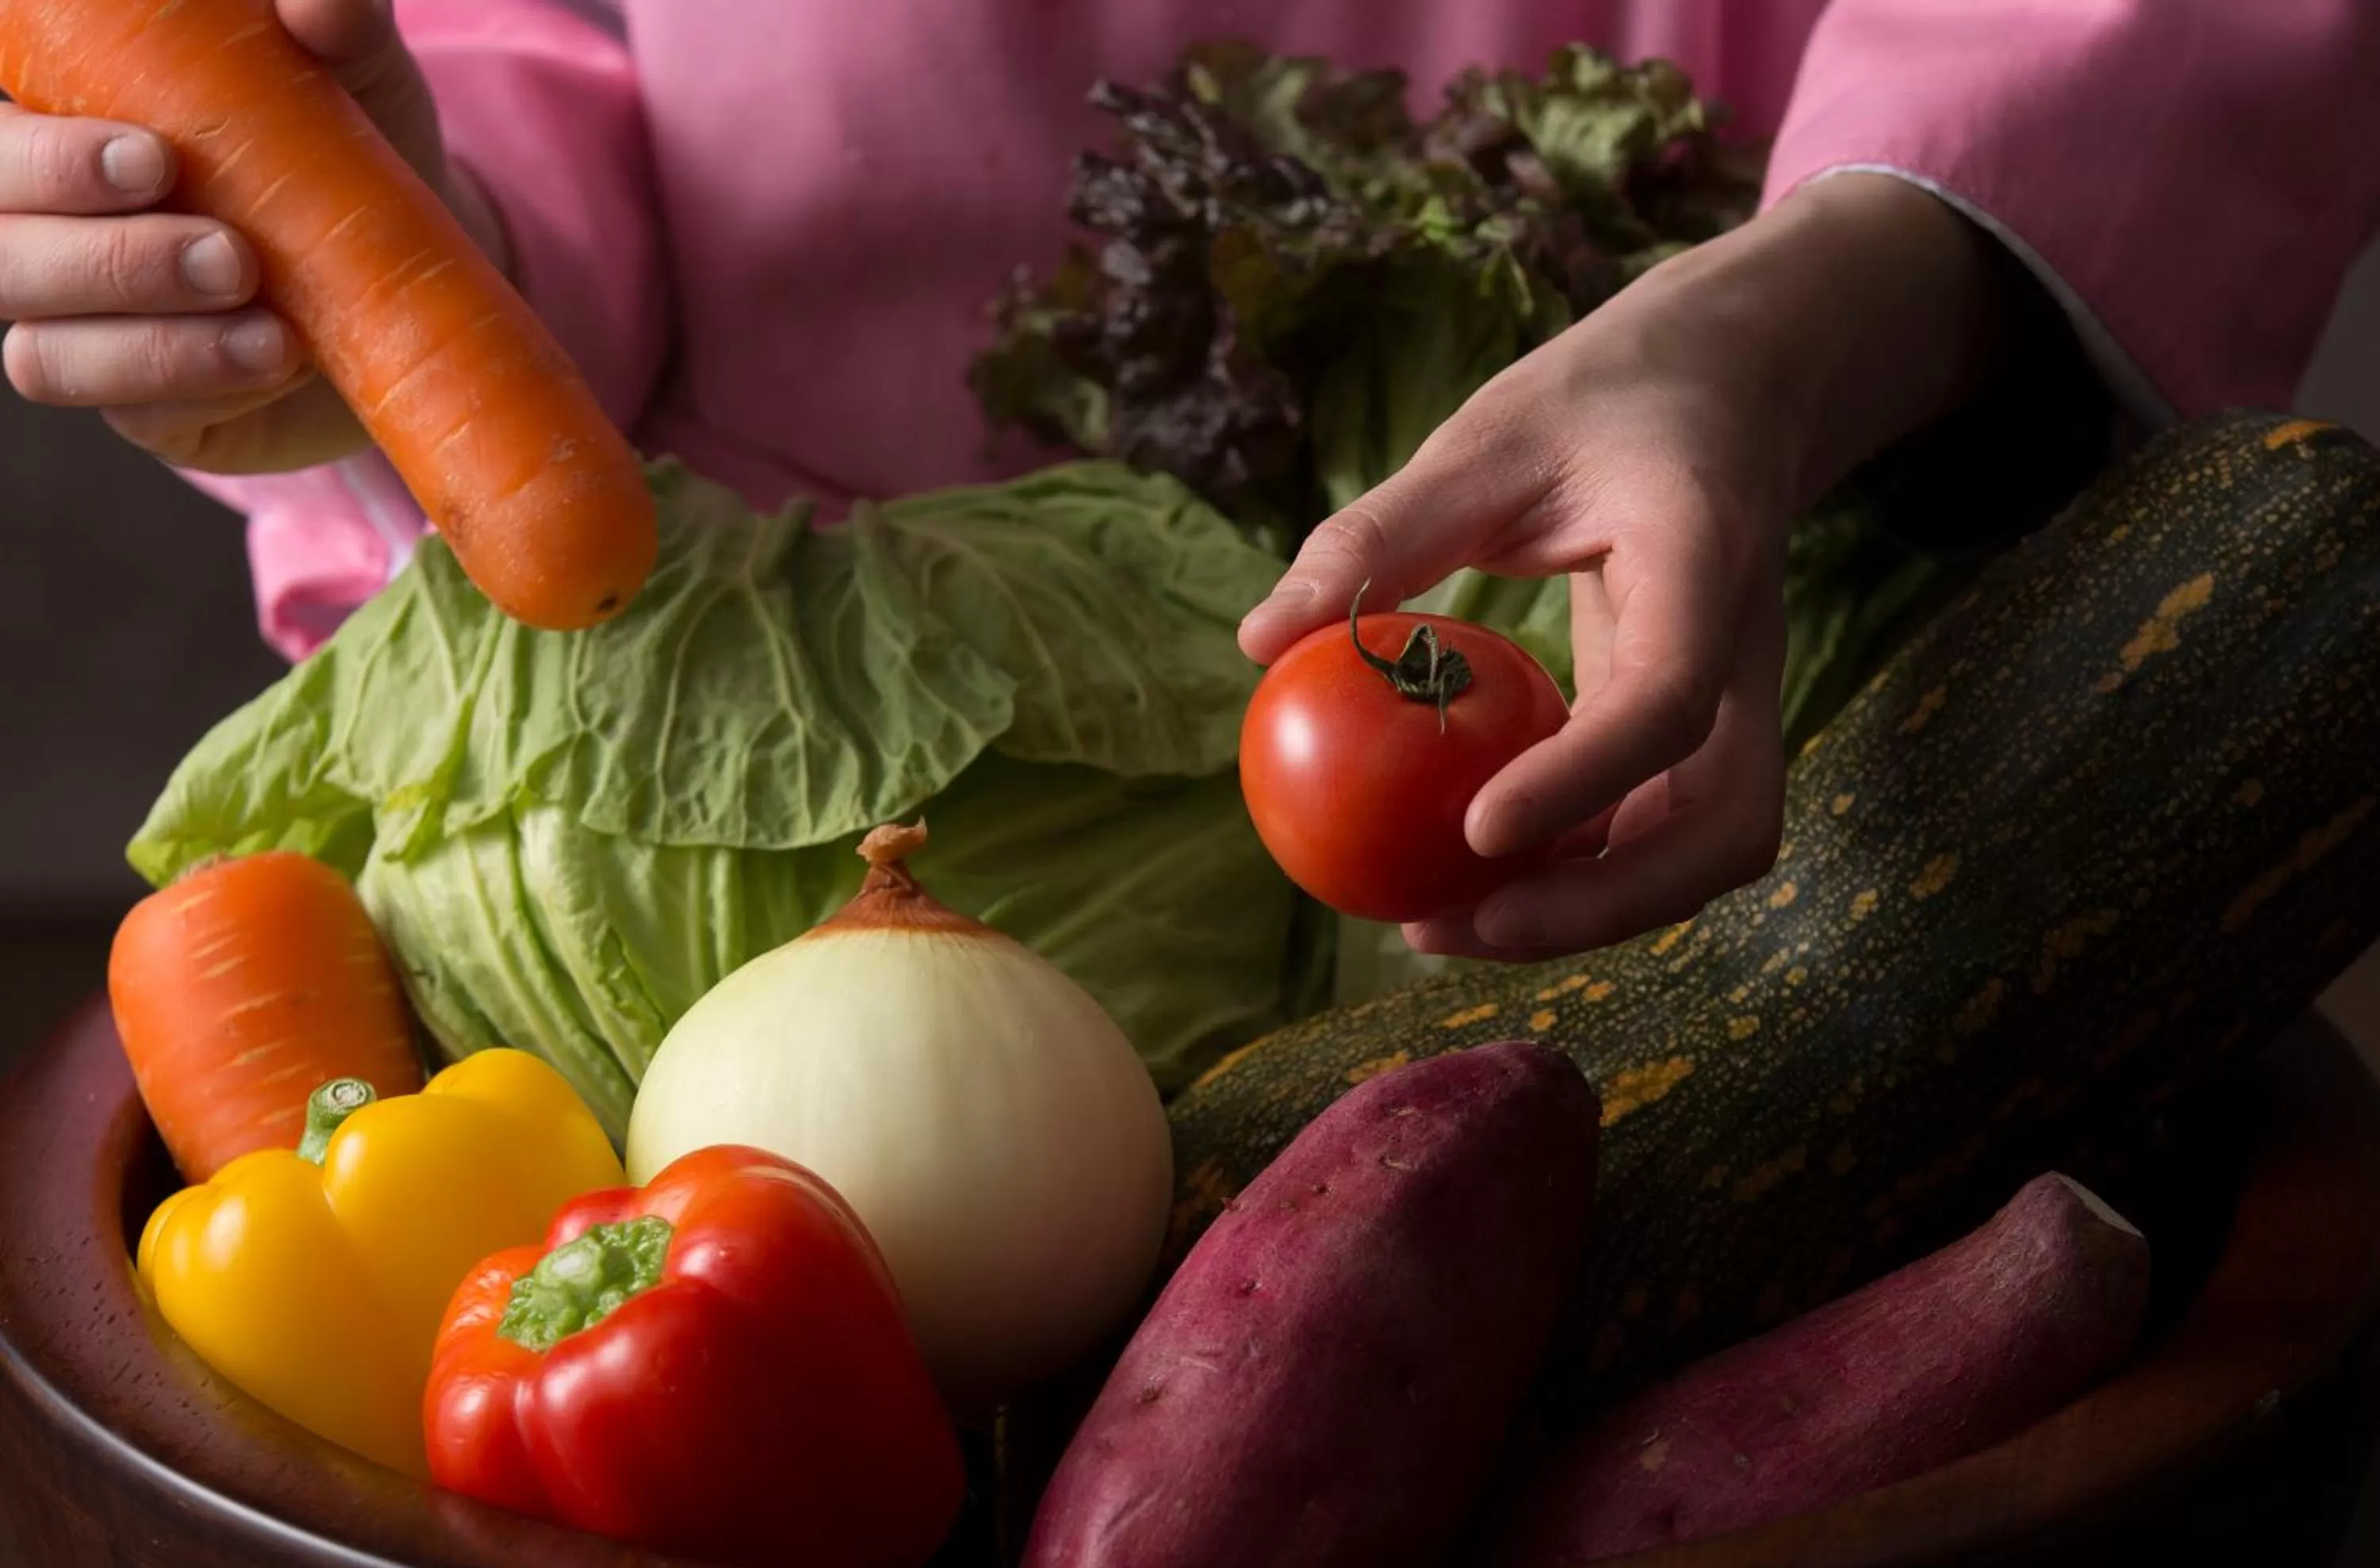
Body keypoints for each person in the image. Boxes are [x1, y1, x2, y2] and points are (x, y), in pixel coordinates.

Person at [4, 0, 2377, 961]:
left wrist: (1825, 304)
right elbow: (536, 43)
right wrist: (405, 260)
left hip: (1737, 729)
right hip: (812, 812)